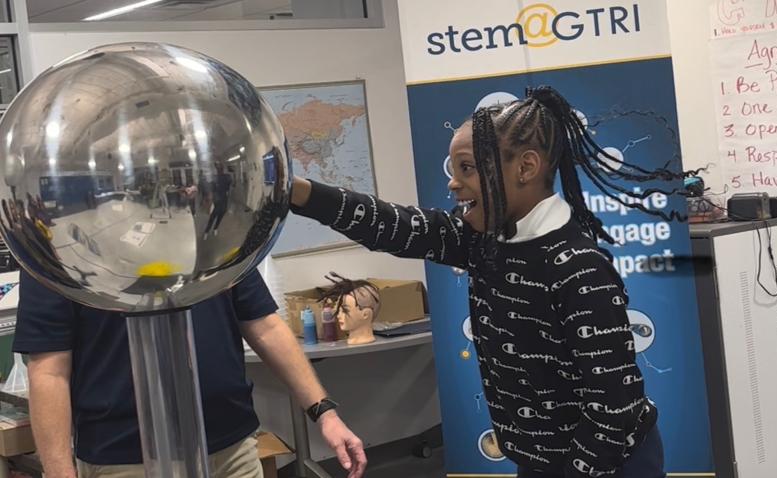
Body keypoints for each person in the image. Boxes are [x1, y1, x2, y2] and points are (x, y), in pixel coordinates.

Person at [289, 86, 697, 477]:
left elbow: (614, 406)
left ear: (526, 168)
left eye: (467, 168)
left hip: (605, 463)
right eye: (454, 169)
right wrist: (301, 194)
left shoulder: (578, 267)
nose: (452, 182)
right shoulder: (483, 240)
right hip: (542, 457)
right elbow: (396, 226)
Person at [13, 268, 367, 478]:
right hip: (126, 461)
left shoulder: (211, 224)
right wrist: (59, 470)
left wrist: (324, 411)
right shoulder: (59, 244)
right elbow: (49, 370)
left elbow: (263, 324)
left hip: (232, 450)